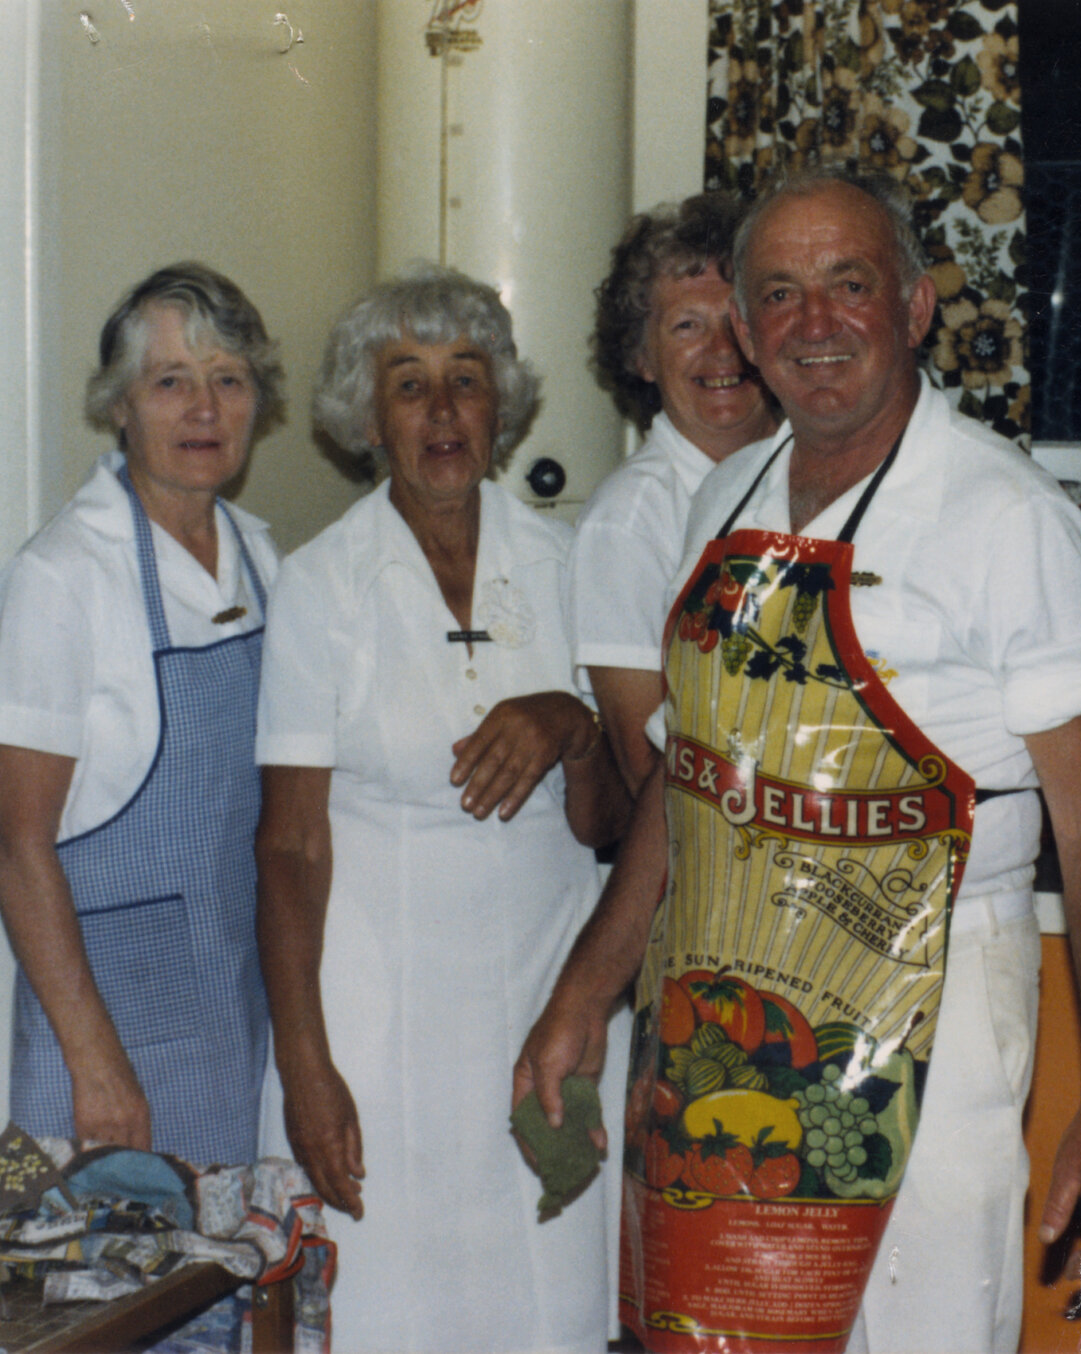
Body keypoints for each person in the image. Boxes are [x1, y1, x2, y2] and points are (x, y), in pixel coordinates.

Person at [516, 165, 1081, 1354]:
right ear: (750, 335)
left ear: (913, 308)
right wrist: (584, 990)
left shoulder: (1002, 516)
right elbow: (686, 780)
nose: (816, 323)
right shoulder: (726, 496)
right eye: (780, 295)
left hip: (934, 1005)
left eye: (848, 285)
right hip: (724, 1022)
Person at [255, 265, 630, 1353]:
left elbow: (611, 824)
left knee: (546, 1309)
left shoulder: (572, 565)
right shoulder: (322, 587)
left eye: (465, 380)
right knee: (387, 1316)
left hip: (543, 1022)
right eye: (407, 384)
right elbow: (288, 848)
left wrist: (572, 722)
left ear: (500, 405)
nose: (441, 410)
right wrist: (306, 1067)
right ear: (366, 418)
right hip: (378, 1033)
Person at [0, 263, 282, 1166]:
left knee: (240, 1292)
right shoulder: (61, 577)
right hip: (102, 1051)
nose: (203, 409)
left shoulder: (265, 559)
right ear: (120, 404)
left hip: (237, 1019)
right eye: (171, 382)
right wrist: (96, 1062)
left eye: (227, 381)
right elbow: (16, 846)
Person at [571, 193, 779, 793]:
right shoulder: (628, 520)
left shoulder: (818, 476)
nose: (722, 350)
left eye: (738, 319)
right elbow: (645, 769)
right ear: (641, 356)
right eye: (687, 325)